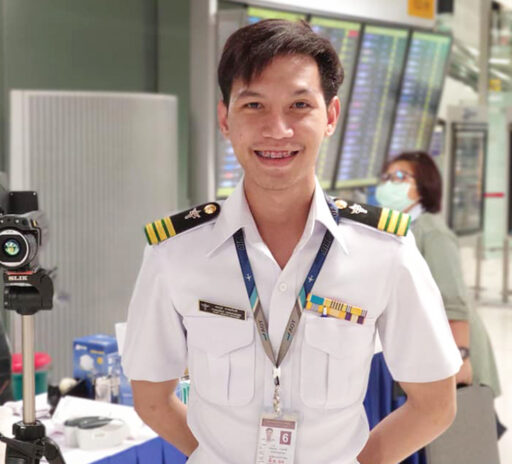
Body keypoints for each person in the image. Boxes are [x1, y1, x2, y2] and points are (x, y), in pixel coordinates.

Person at [122, 19, 461, 464]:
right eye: (254, 105)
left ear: (331, 117)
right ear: (225, 119)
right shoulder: (175, 252)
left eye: (299, 104)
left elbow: (435, 404)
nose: (277, 129)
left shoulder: (385, 250)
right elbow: (151, 398)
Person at [377, 151, 502, 399]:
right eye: (387, 177)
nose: (391, 184)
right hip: (431, 348)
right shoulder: (405, 228)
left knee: (466, 429)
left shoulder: (432, 232)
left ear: (424, 185)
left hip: (456, 351)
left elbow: (454, 300)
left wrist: (462, 357)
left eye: (401, 177)